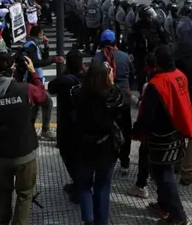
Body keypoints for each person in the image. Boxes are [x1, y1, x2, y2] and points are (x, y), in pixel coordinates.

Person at [133, 45, 192, 225]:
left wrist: (137, 131)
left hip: (161, 137)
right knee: (162, 171)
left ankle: (178, 216)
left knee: (164, 174)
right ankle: (163, 205)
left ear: (158, 63)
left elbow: (148, 115)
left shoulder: (157, 84)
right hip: (176, 131)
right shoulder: (179, 75)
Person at [0, 53, 46, 225]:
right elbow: (42, 95)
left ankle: (3, 222)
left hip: (1, 153)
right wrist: (33, 72)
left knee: (3, 191)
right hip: (24, 152)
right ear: (12, 69)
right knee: (25, 194)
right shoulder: (26, 89)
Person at [72, 60, 123, 225]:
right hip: (106, 146)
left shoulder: (79, 94)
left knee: (84, 184)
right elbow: (120, 111)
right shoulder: (113, 96)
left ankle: (88, 218)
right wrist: (112, 83)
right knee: (103, 185)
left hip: (84, 145)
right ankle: (102, 221)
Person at [92, 29, 135, 173]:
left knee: (104, 131)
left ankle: (106, 161)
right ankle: (125, 163)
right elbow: (132, 77)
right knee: (125, 131)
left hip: (104, 101)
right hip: (124, 100)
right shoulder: (125, 57)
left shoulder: (97, 59)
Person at [48, 49, 85, 202]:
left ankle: (79, 186)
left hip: (67, 125)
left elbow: (50, 88)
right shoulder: (87, 78)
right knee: (80, 156)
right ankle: (80, 183)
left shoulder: (64, 80)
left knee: (69, 155)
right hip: (84, 124)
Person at [23, 25, 60, 139]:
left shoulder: (34, 45)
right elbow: (36, 62)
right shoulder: (31, 46)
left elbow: (43, 58)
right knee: (46, 103)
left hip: (35, 79)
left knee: (36, 106)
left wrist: (46, 46)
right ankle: (45, 130)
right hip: (32, 80)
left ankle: (31, 130)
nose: (43, 36)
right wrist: (52, 60)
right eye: (42, 34)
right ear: (38, 34)